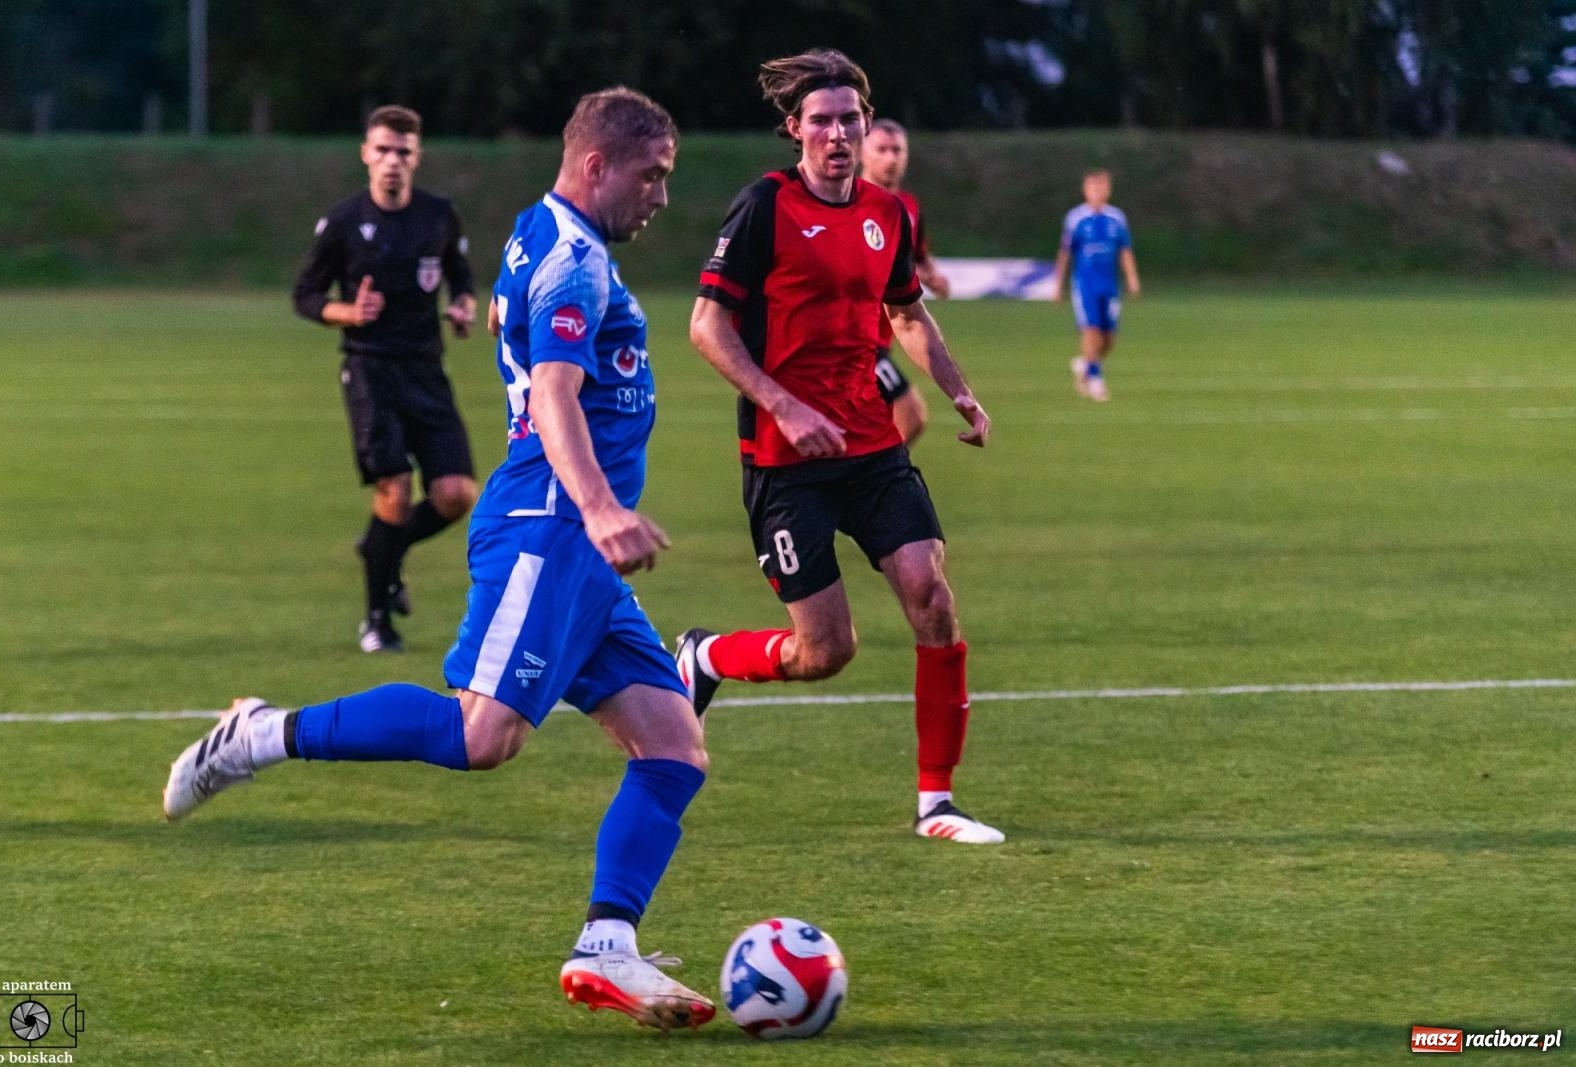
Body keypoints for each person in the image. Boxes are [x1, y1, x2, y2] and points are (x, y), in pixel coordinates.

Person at [168, 88, 716, 1032]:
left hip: (576, 547)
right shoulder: (571, 264)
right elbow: (552, 391)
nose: (661, 196)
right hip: (551, 526)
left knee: (672, 744)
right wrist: (600, 508)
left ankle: (608, 945)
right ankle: (261, 733)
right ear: (597, 166)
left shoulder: (545, 233)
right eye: (652, 176)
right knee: (481, 736)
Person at [681, 49, 1004, 845]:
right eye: (820, 121)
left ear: (864, 127)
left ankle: (937, 803)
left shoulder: (887, 214)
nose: (836, 134)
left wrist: (959, 388)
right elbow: (706, 327)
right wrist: (782, 406)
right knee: (825, 651)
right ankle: (707, 655)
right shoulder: (763, 206)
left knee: (931, 593)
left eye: (848, 121)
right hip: (786, 459)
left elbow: (906, 314)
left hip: (870, 444)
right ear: (795, 128)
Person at [292, 105, 480, 653]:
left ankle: (382, 551)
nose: (393, 161)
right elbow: (304, 295)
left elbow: (461, 278)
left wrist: (465, 306)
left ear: (417, 157)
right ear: (366, 155)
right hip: (369, 368)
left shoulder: (439, 216)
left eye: (403, 151)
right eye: (383, 150)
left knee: (455, 493)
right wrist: (346, 312)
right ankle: (377, 620)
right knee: (394, 490)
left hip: (426, 368)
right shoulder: (344, 222)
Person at [858, 118, 951, 446]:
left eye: (897, 150)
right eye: (881, 149)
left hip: (887, 335)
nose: (890, 157)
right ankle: (876, 485)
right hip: (856, 338)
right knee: (909, 414)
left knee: (870, 426)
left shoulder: (907, 207)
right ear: (862, 153)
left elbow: (918, 254)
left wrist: (932, 275)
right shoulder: (849, 203)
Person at [1053, 169, 1141, 402]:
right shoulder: (1076, 218)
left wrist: (1132, 278)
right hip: (1085, 285)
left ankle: (1085, 363)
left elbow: (1125, 250)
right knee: (1091, 330)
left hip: (1109, 284)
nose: (1098, 192)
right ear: (1085, 190)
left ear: (1108, 190)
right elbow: (1065, 253)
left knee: (1109, 337)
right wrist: (1057, 285)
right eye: (1093, 188)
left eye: (1102, 187)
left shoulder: (1117, 218)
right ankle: (1095, 379)